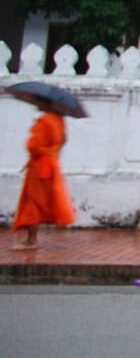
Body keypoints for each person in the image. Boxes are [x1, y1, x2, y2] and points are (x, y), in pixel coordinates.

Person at [11, 98, 76, 251]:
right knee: (41, 200)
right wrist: (54, 152)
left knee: (33, 201)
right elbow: (64, 139)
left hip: (40, 165)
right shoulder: (59, 119)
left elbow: (33, 146)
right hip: (51, 163)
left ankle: (30, 240)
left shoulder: (44, 120)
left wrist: (33, 133)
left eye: (38, 101)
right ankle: (30, 239)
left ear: (44, 103)